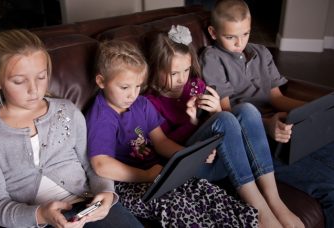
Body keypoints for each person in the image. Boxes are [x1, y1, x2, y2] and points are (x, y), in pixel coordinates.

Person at [0, 29, 143, 228]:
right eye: (19, 81)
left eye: (41, 77)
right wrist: (40, 214)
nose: (34, 89)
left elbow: (92, 165)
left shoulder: (67, 110)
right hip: (37, 222)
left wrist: (107, 193)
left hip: (88, 207)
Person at [86, 39, 259, 227]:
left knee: (205, 191)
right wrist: (146, 175)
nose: (132, 95)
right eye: (124, 87)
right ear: (101, 81)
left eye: (137, 86)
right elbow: (101, 165)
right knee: (178, 206)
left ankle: (253, 222)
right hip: (128, 182)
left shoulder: (142, 104)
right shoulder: (101, 116)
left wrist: (191, 155)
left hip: (159, 172)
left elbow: (161, 142)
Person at [145, 25, 303, 228]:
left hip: (223, 158)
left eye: (186, 70)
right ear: (155, 68)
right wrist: (197, 124)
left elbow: (216, 128)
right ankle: (259, 209)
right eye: (173, 73)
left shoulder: (195, 85)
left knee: (246, 110)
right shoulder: (149, 103)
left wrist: (213, 111)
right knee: (225, 120)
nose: (181, 79)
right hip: (191, 165)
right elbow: (163, 145)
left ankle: (274, 200)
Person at [200, 0, 334, 227]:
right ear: (213, 32)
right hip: (251, 135)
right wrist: (267, 125)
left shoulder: (261, 52)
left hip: (281, 126)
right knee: (327, 188)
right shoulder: (212, 58)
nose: (239, 43)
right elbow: (226, 111)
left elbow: (277, 98)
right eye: (231, 37)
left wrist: (314, 109)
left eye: (245, 34)